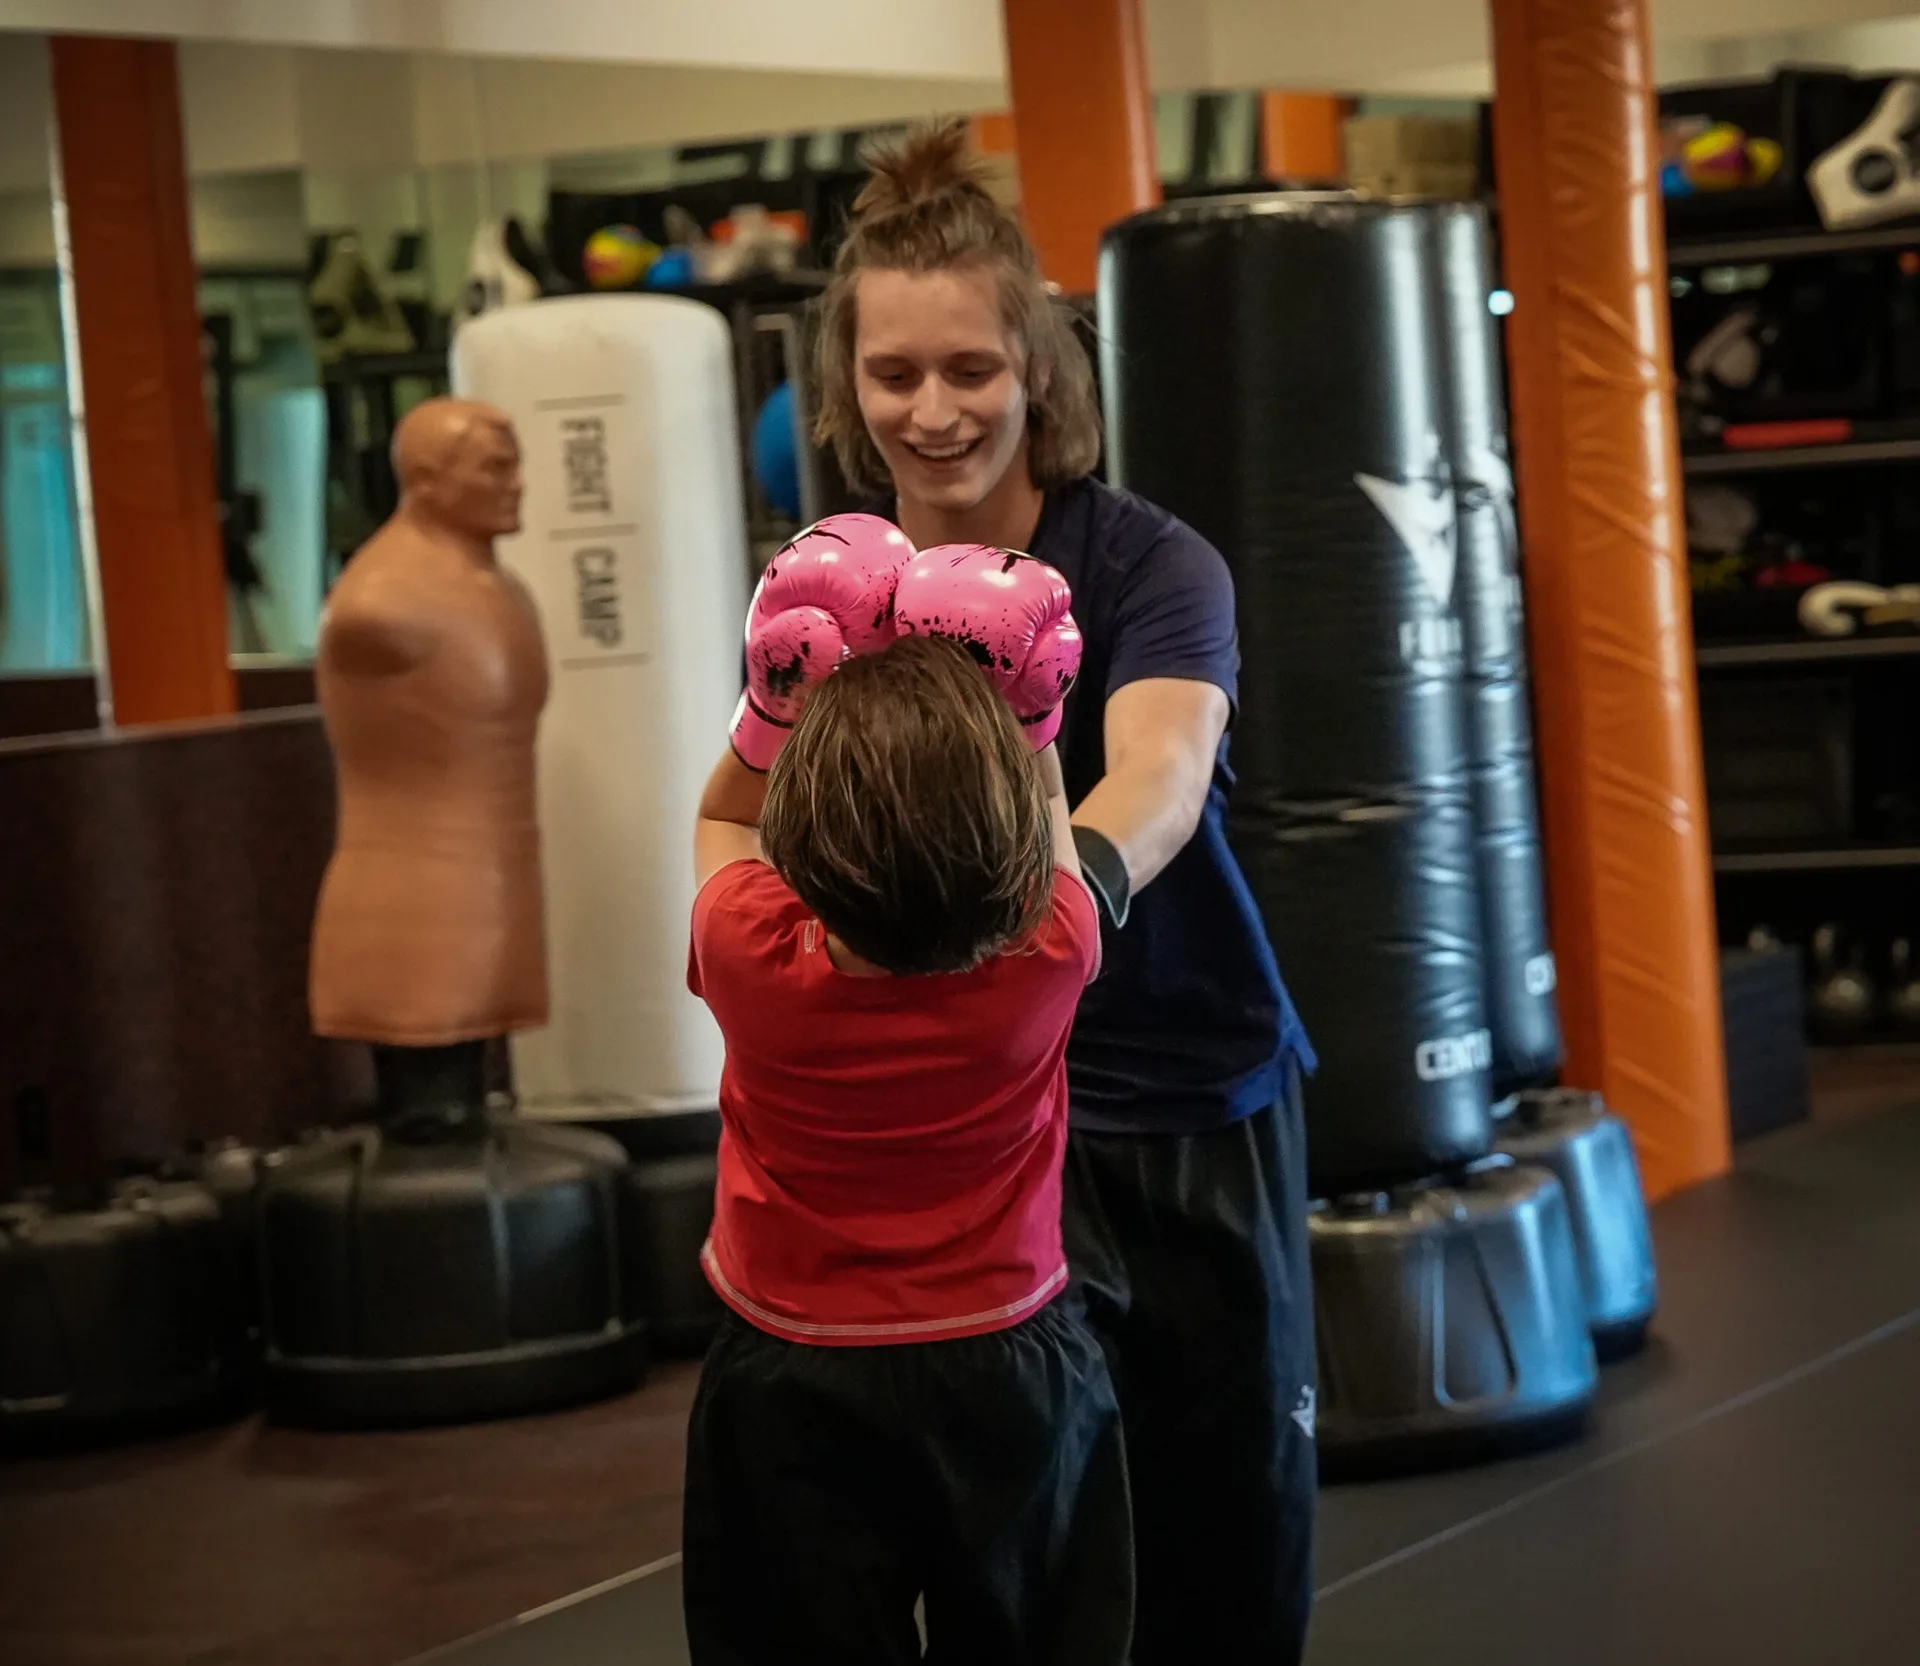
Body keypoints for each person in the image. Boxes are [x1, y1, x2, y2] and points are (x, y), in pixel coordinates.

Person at [813, 122, 1320, 1664]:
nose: (933, 408)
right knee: (1013, 1541)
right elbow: (768, 813)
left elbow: (1158, 773)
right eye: (894, 373)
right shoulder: (834, 589)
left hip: (1183, 1091)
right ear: (847, 387)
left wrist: (1048, 910)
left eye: (970, 367)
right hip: (967, 1120)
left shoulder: (1153, 564)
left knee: (1224, 1514)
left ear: (1038, 369)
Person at [681, 527, 1130, 1666]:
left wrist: (774, 707)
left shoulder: (747, 948)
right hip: (1009, 1358)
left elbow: (725, 819)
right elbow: (1046, 834)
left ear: (808, 842)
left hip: (793, 1367)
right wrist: (1022, 712)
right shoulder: (1053, 950)